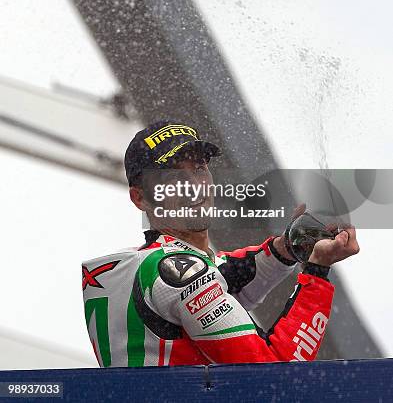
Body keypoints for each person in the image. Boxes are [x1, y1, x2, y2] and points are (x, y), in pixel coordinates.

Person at [82, 120, 359, 367]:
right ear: (140, 198)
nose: (195, 184)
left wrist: (291, 245)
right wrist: (317, 272)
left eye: (200, 168)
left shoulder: (148, 265)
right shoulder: (175, 273)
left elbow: (226, 277)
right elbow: (276, 374)